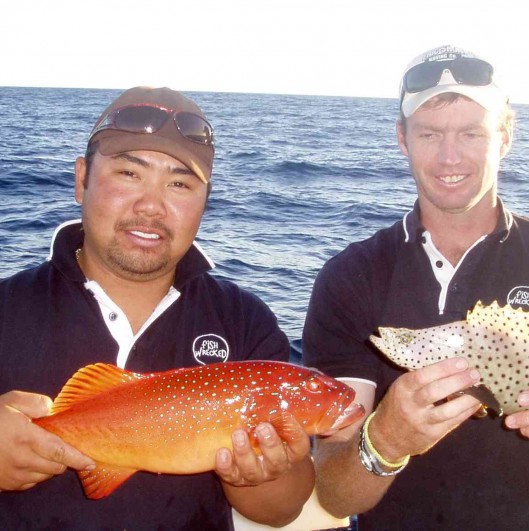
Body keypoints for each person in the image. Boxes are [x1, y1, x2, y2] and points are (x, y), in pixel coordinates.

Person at [302, 45, 529, 529]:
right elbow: (334, 494)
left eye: (471, 133)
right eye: (430, 133)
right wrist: (387, 440)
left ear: (505, 136)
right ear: (402, 139)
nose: (448, 156)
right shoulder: (349, 278)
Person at [0, 87, 314, 529]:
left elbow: (282, 510)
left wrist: (260, 473)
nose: (151, 206)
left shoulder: (245, 320)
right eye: (129, 173)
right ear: (81, 179)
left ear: (205, 202)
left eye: (180, 184)